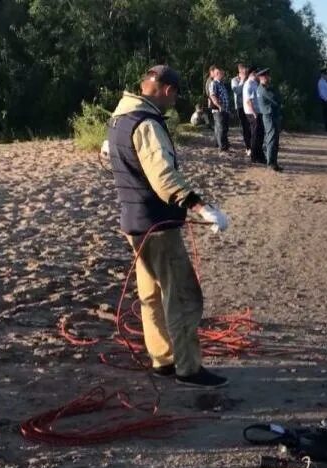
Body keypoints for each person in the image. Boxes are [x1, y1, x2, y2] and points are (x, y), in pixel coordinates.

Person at [107, 65, 229, 388]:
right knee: (182, 297)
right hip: (157, 226)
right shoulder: (146, 123)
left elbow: (116, 157)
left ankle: (162, 360)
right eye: (174, 96)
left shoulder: (119, 117)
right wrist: (201, 207)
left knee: (150, 295)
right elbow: (163, 177)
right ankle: (188, 369)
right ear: (166, 90)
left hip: (134, 223)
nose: (174, 103)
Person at [255, 68, 283, 172]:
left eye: (267, 76)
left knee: (273, 139)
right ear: (261, 77)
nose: (268, 78)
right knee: (271, 139)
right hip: (269, 115)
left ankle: (273, 162)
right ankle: (271, 163)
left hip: (270, 115)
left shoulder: (262, 88)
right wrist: (276, 91)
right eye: (266, 76)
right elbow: (276, 99)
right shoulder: (264, 89)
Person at [242, 67, 266, 164]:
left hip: (257, 111)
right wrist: (254, 113)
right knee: (255, 134)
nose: (258, 75)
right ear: (252, 73)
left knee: (260, 134)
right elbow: (248, 101)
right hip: (252, 113)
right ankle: (254, 156)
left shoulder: (255, 83)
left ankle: (259, 155)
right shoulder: (248, 84)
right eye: (256, 73)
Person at [208, 65, 230, 151]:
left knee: (222, 127)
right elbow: (212, 95)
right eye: (222, 73)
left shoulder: (221, 84)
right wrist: (219, 106)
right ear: (217, 73)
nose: (223, 75)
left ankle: (219, 144)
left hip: (224, 109)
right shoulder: (214, 83)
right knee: (221, 128)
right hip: (218, 110)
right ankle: (223, 147)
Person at [231, 63, 251, 152]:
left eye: (246, 72)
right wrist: (242, 80)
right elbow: (237, 91)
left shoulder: (248, 80)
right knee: (245, 126)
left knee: (251, 126)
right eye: (243, 72)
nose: (245, 74)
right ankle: (248, 147)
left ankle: (252, 145)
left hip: (249, 106)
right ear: (239, 72)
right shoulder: (234, 80)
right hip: (240, 106)